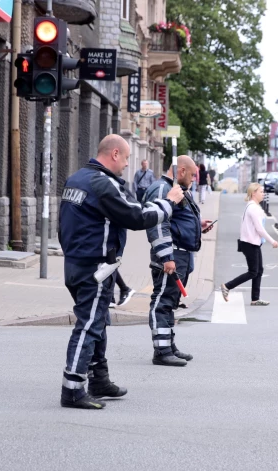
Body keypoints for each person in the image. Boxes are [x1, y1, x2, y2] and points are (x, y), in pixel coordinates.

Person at [58, 134, 184, 410]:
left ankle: (99, 380)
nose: (127, 164)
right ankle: (72, 389)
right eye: (126, 158)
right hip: (95, 267)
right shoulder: (102, 184)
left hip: (77, 263)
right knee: (90, 325)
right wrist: (170, 202)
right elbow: (136, 217)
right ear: (114, 154)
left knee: (98, 322)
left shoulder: (77, 179)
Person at [143, 155, 214, 367]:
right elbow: (157, 225)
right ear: (181, 171)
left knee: (170, 302)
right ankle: (162, 350)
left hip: (180, 255)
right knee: (162, 302)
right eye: (192, 175)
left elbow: (176, 219)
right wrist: (167, 257)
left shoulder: (175, 189)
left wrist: (197, 225)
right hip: (171, 256)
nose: (194, 179)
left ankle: (169, 346)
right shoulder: (163, 189)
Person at [221, 183, 278, 306]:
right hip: (250, 243)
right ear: (254, 193)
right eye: (261, 192)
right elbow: (260, 229)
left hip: (252, 242)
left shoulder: (253, 206)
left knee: (259, 270)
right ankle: (227, 286)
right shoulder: (253, 208)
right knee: (253, 271)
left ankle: (255, 299)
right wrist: (272, 241)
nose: (263, 194)